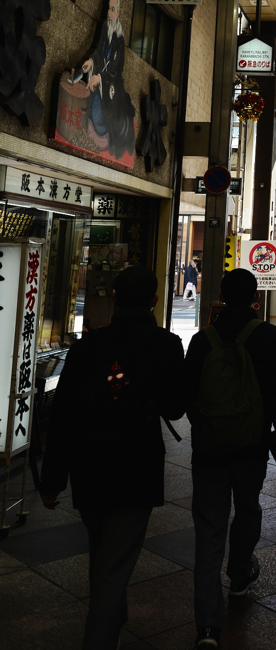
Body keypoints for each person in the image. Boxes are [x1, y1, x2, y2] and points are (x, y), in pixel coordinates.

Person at [40, 266, 185, 650]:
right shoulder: (166, 344)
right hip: (136, 467)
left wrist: (52, 480)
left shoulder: (86, 346)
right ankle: (100, 638)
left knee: (104, 553)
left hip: (89, 466)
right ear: (154, 300)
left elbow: (63, 415)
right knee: (112, 565)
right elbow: (174, 409)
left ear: (115, 298)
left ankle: (112, 618)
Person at [185, 268, 276, 650]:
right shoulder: (267, 335)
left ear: (219, 294)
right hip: (251, 443)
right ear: (255, 299)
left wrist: (205, 424)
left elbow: (188, 395)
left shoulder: (202, 340)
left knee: (209, 527)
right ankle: (239, 572)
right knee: (248, 508)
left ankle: (207, 627)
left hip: (210, 447)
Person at [82, 0, 136, 161]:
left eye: (113, 9)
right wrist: (91, 61)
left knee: (99, 117)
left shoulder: (120, 39)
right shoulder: (105, 26)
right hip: (99, 78)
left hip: (111, 85)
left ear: (118, 11)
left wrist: (101, 79)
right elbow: (99, 51)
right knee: (88, 107)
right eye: (109, 8)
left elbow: (117, 70)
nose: (110, 13)